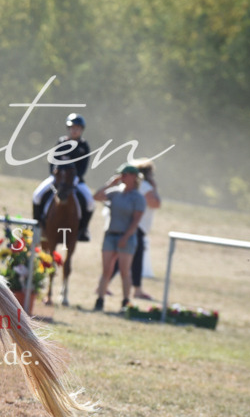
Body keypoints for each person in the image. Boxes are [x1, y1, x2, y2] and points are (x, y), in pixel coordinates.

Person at [32, 113, 95, 241]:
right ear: (68, 129)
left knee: (90, 202)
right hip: (58, 178)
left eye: (77, 128)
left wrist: (76, 178)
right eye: (72, 127)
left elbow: (84, 166)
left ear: (81, 130)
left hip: (76, 180)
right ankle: (37, 226)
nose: (75, 130)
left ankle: (83, 230)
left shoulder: (84, 146)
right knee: (37, 195)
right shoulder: (61, 142)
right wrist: (54, 174)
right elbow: (53, 160)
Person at [93, 163, 146, 312]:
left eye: (125, 174)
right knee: (106, 270)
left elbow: (136, 220)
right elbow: (96, 196)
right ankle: (100, 299)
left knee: (124, 271)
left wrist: (126, 237)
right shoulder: (115, 192)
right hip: (110, 235)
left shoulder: (138, 198)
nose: (122, 177)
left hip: (126, 238)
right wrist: (110, 184)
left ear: (133, 177)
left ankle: (125, 301)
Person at [108, 158, 162, 299]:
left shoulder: (139, 186)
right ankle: (135, 290)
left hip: (131, 225)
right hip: (136, 226)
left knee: (124, 258)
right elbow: (155, 203)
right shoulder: (145, 186)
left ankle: (107, 285)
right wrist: (154, 188)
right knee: (131, 259)